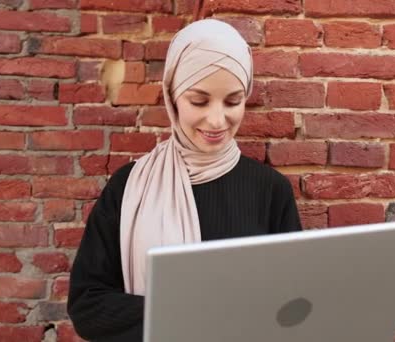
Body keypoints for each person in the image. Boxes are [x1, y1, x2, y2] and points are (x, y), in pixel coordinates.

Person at [67, 19, 302, 342]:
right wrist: (186, 314)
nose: (217, 120)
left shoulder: (270, 190)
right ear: (173, 96)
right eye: (199, 101)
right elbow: (87, 304)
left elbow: (294, 306)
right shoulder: (129, 186)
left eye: (233, 101)